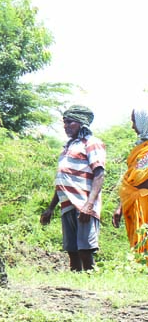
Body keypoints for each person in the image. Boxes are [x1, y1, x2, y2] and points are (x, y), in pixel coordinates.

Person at [41, 105, 106, 271]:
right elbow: (63, 180)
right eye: (64, 122)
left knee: (85, 248)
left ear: (81, 123)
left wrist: (89, 205)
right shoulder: (68, 146)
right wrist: (50, 208)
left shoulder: (92, 143)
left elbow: (99, 174)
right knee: (72, 249)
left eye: (70, 122)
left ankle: (91, 280)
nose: (66, 126)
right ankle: (76, 281)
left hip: (83, 203)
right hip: (67, 203)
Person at [113, 105, 148, 257]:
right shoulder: (139, 150)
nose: (133, 126)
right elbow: (131, 181)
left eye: (135, 121)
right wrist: (121, 206)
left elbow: (140, 180)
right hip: (135, 204)